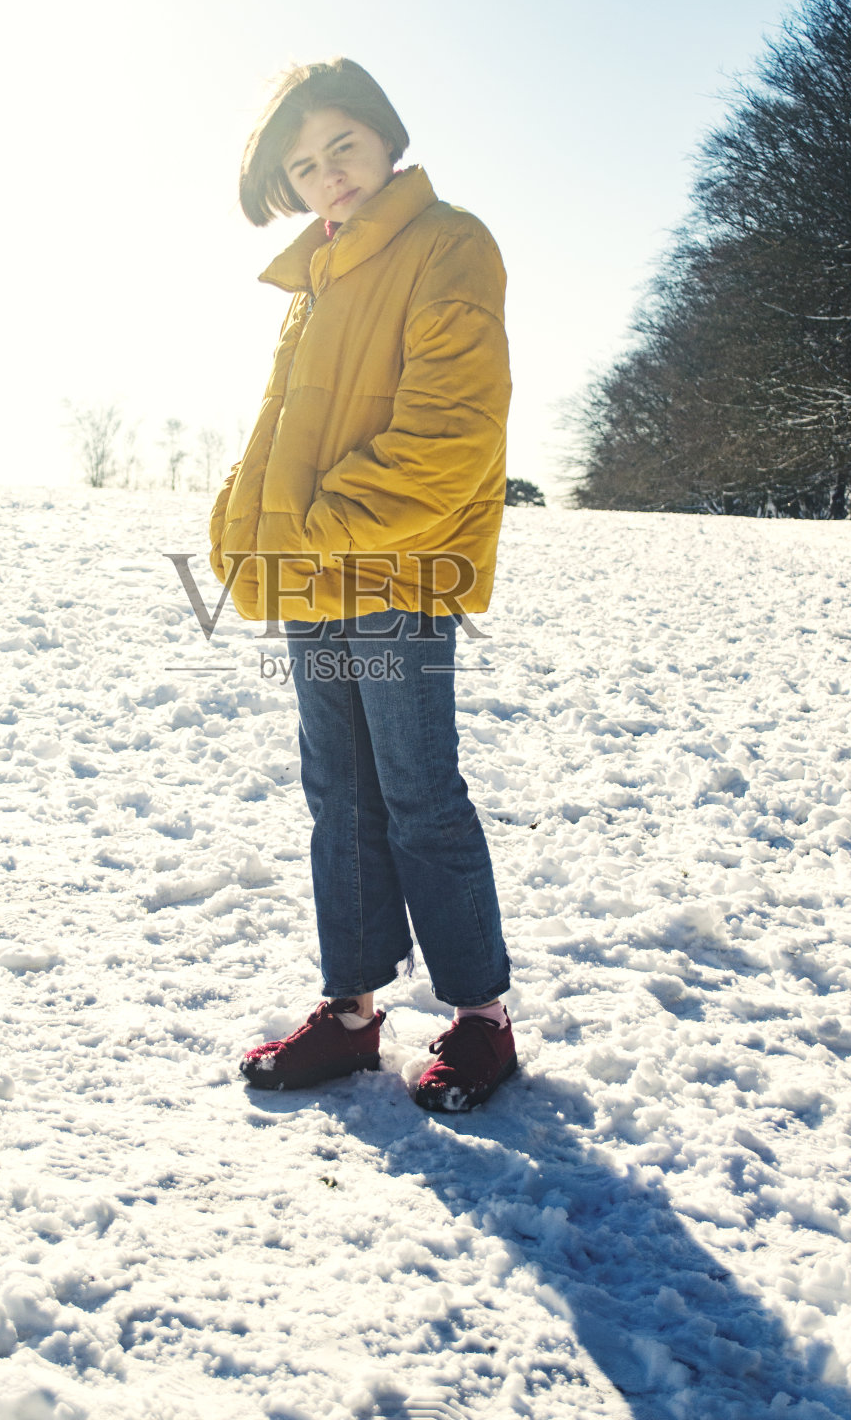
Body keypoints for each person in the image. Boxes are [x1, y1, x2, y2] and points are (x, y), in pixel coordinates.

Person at [209, 58, 516, 1113]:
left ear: (384, 138)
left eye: (340, 146)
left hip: (394, 570)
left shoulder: (448, 244)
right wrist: (245, 524)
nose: (326, 175)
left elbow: (451, 432)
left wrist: (318, 525)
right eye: (302, 165)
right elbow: (285, 432)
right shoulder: (318, 275)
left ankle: (481, 1020)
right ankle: (350, 1015)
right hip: (311, 577)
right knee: (337, 795)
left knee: (417, 794)